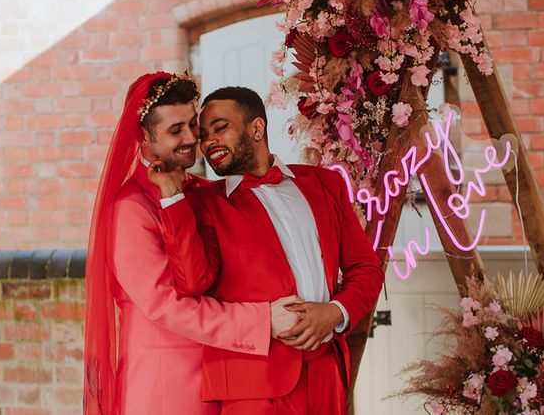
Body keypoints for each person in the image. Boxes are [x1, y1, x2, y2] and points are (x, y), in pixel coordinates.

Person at [158, 86, 384, 415]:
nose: (209, 143)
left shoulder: (325, 184)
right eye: (204, 135)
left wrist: (335, 312)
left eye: (220, 128)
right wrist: (171, 195)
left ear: (257, 128)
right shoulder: (202, 203)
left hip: (326, 373)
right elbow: (192, 283)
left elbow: (366, 267)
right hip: (251, 383)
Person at [83, 72, 298, 415]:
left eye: (191, 125)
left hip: (224, 381)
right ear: (144, 137)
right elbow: (167, 306)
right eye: (174, 130)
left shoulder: (202, 190)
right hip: (166, 390)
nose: (191, 138)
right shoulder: (131, 208)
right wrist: (262, 321)